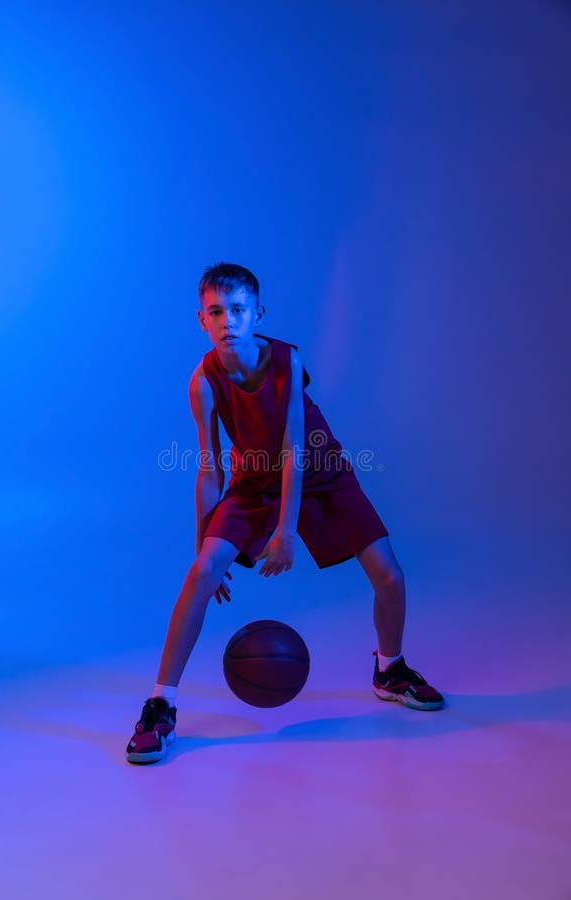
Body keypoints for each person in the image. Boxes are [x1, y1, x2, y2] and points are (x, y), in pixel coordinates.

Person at [126, 262, 444, 764]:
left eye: (237, 309)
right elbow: (209, 471)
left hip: (320, 473)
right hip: (253, 483)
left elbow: (295, 449)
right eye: (216, 311)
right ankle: (160, 704)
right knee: (201, 572)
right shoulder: (203, 382)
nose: (227, 320)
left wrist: (285, 531)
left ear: (257, 313)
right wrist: (204, 547)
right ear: (201, 320)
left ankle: (390, 669)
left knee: (390, 575)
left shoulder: (286, 362)